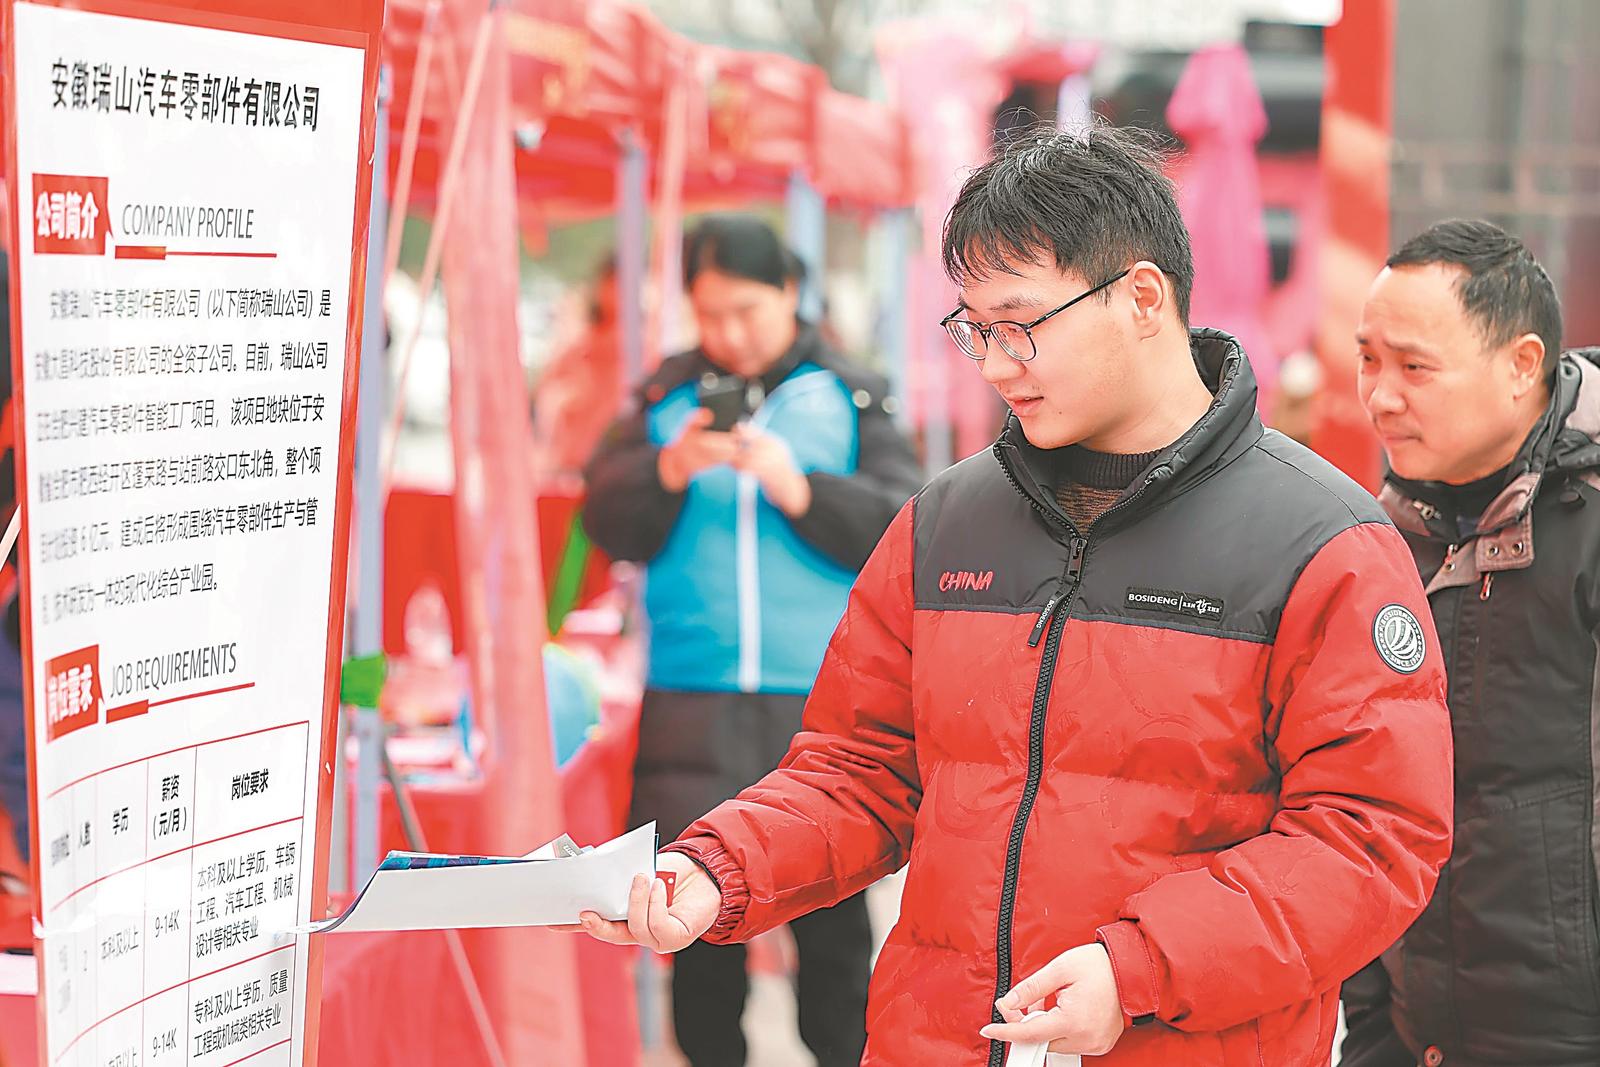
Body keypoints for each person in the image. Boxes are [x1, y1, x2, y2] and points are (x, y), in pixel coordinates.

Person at [569, 125, 1455, 1065]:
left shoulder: (1321, 542)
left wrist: (1140, 967)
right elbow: (863, 766)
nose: (994, 364)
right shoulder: (945, 522)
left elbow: (1370, 837)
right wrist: (718, 868)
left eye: (1020, 324)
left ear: (1142, 298)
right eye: (975, 329)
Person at [581, 214, 923, 1067]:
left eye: (747, 311)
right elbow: (604, 516)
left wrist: (799, 489)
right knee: (691, 912)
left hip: (819, 700)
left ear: (789, 292)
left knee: (830, 917)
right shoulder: (665, 397)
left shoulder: (850, 392)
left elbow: (907, 522)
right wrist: (666, 469)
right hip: (689, 696)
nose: (729, 334)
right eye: (710, 315)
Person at [1341, 219, 1600, 1067]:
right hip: (1412, 1031)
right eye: (1368, 359)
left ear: (1522, 365)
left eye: (1415, 367)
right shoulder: (1380, 536)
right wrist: (1371, 1024)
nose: (1380, 396)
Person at [533, 256, 627, 482]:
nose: (614, 292)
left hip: (613, 465)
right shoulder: (579, 348)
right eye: (611, 282)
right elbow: (545, 395)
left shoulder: (641, 349)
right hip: (571, 464)